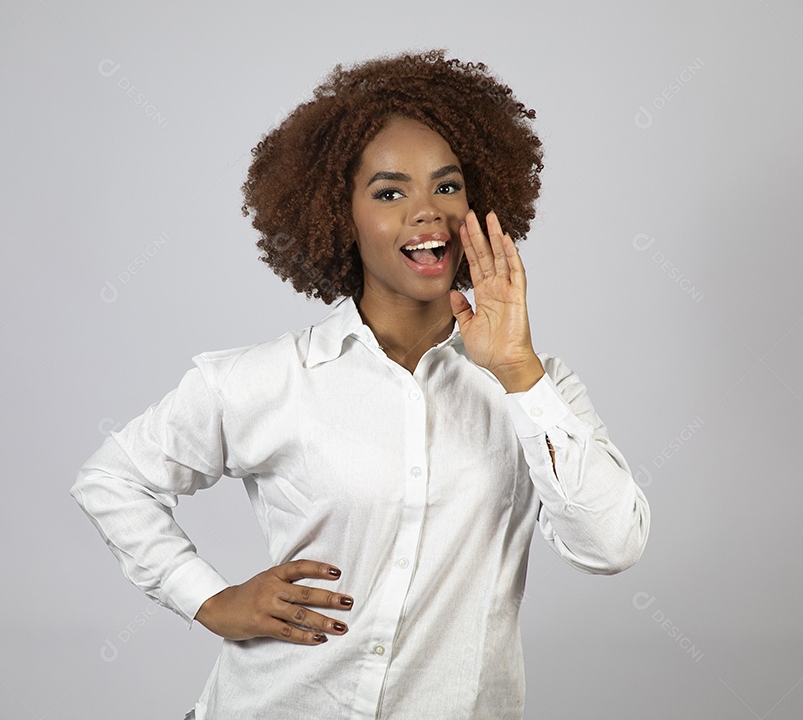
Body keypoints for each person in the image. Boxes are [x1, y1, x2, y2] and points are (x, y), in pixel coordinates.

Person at [71, 48, 650, 720]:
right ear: (339, 215)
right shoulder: (267, 379)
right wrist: (207, 598)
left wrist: (518, 372)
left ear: (478, 202)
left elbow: (611, 546)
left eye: (447, 185)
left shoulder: (537, 388)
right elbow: (112, 479)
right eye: (389, 191)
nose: (426, 211)